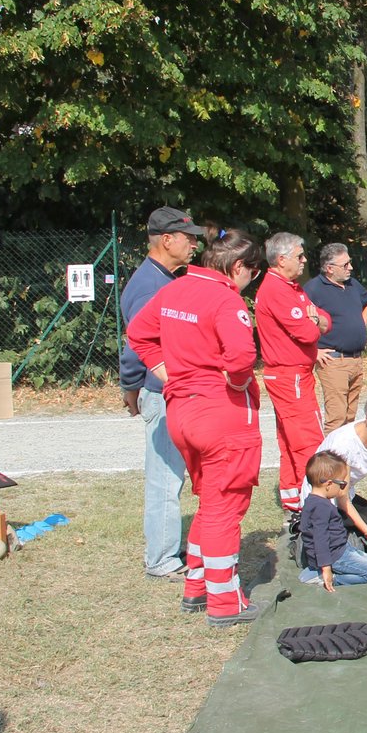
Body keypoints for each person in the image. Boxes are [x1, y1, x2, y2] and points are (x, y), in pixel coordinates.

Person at [127, 228, 265, 626]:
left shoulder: (174, 289)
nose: (249, 283)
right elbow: (241, 356)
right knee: (226, 505)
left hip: (181, 411)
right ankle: (225, 601)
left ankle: (197, 585)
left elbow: (138, 333)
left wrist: (166, 373)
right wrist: (237, 384)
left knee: (209, 500)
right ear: (239, 267)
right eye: (251, 275)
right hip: (220, 414)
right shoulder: (225, 299)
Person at [118, 206, 202, 578]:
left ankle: (167, 549)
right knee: (165, 479)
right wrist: (132, 385)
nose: (194, 244)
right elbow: (138, 341)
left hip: (166, 389)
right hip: (160, 391)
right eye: (188, 238)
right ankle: (161, 559)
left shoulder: (163, 278)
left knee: (173, 476)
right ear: (167, 240)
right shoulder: (151, 284)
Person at [256, 232, 329, 518]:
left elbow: (324, 319)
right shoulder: (277, 290)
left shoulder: (290, 287)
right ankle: (313, 504)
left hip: (292, 375)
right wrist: (314, 322)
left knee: (290, 441)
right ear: (281, 259)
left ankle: (294, 501)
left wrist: (316, 320)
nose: (304, 260)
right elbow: (308, 331)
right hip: (291, 376)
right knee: (307, 441)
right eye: (299, 256)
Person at [300, 390, 367, 554]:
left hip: (345, 495)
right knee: (341, 548)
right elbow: (341, 501)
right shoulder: (343, 447)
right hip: (325, 501)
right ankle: (308, 534)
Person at [306, 243, 367, 434]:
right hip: (333, 361)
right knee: (336, 419)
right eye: (345, 265)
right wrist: (314, 351)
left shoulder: (352, 284)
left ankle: (345, 462)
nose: (350, 268)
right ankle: (330, 462)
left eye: (349, 263)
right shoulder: (313, 289)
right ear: (329, 268)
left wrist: (361, 323)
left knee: (350, 419)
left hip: (355, 360)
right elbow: (300, 322)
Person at [297, 451, 367, 590]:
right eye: (342, 484)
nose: (343, 488)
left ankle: (321, 570)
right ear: (329, 484)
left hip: (339, 548)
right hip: (334, 555)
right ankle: (327, 578)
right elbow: (320, 539)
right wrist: (326, 569)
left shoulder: (314, 501)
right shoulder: (321, 507)